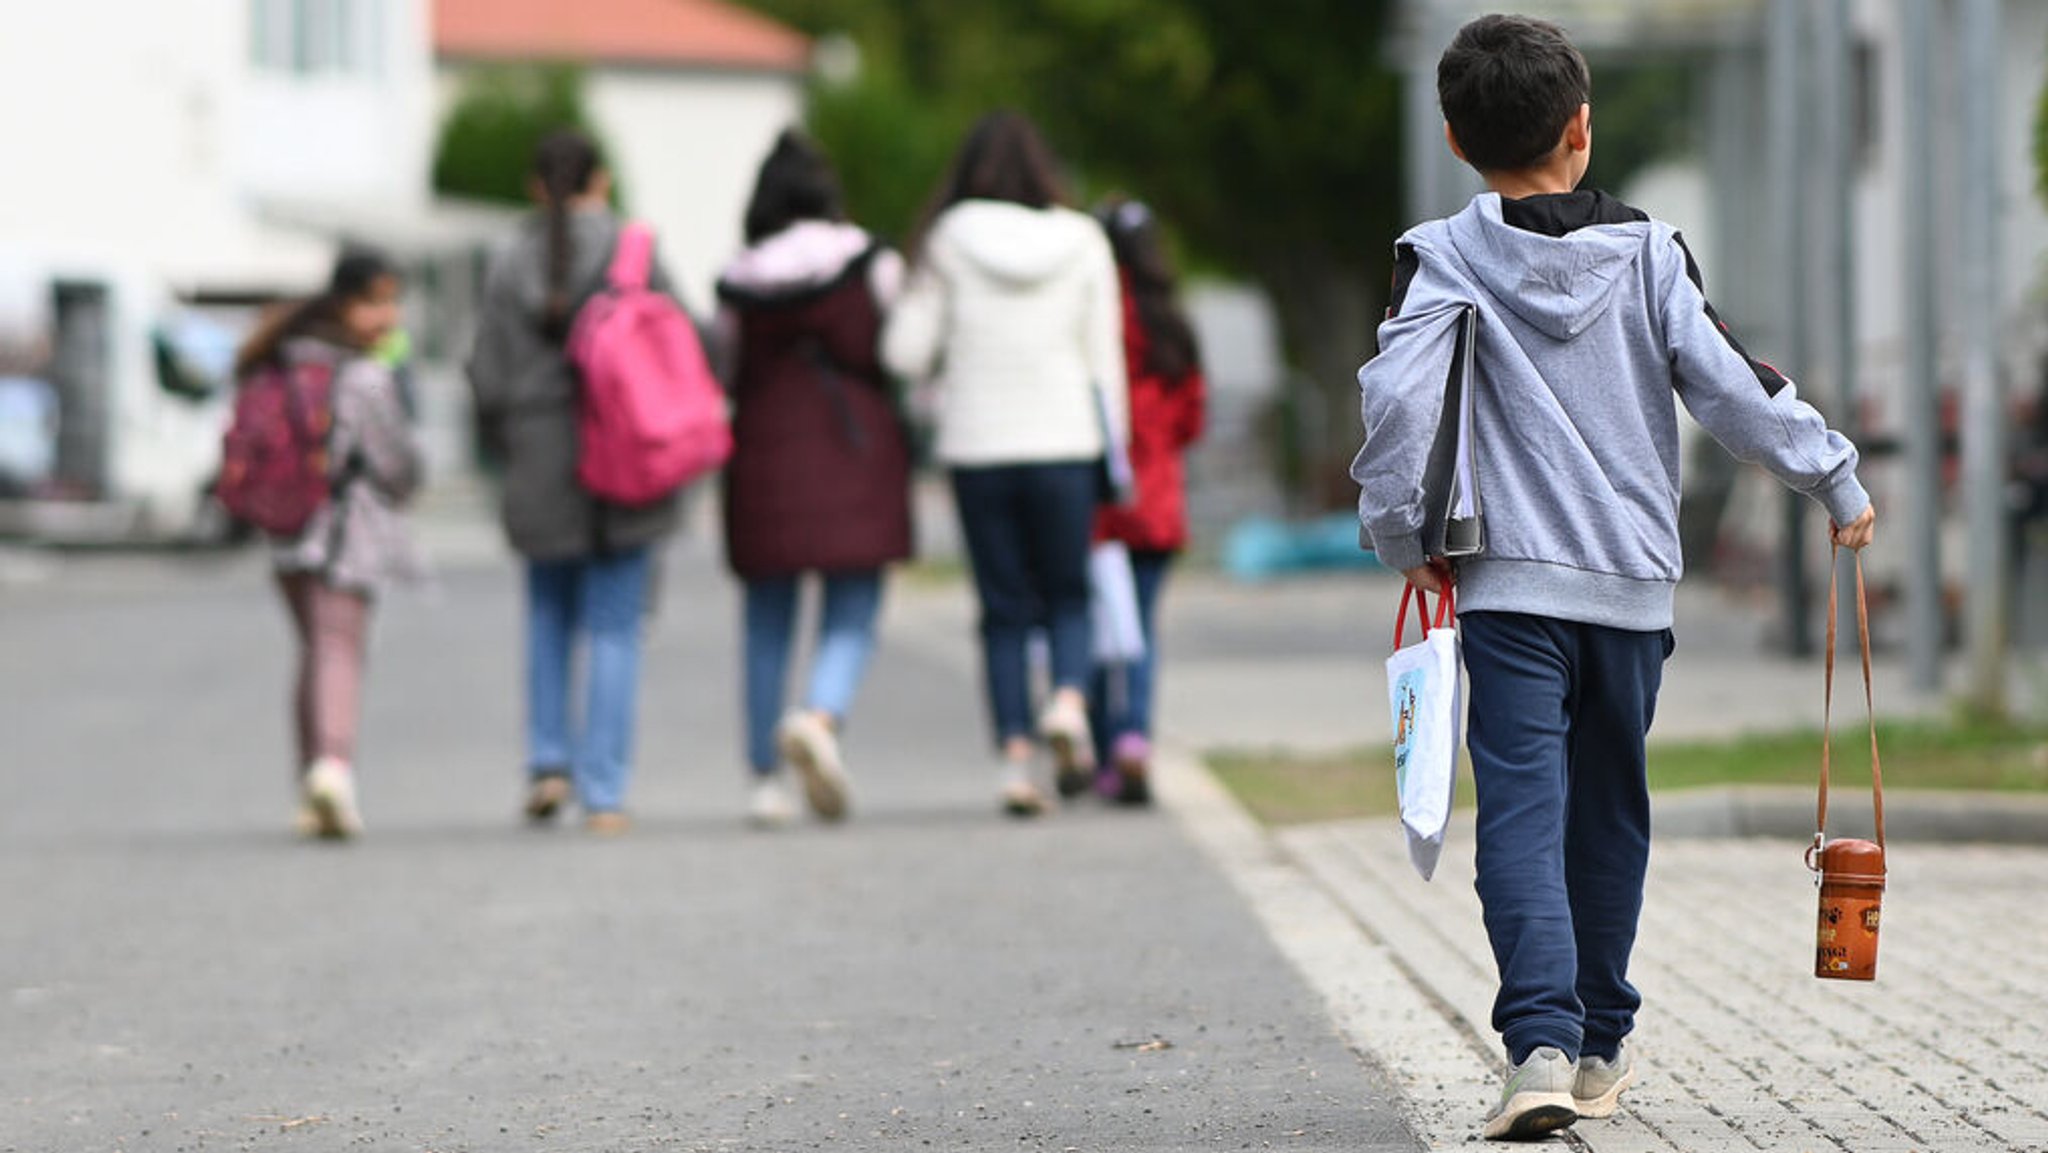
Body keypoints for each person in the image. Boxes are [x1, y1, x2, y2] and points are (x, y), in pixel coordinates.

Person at [1351, 15, 1876, 1141]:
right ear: (1581, 128)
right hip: (1628, 595)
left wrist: (1404, 536)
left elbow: (1393, 407)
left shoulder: (1435, 254)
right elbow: (1734, 390)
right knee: (1609, 817)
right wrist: (1833, 476)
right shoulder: (1648, 253)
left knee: (1522, 815)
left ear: (1452, 138)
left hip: (1503, 594)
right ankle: (1595, 1044)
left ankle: (1535, 1043)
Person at [882, 111, 1128, 817]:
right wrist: (1117, 449)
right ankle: (1071, 705)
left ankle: (1015, 762)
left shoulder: (948, 239)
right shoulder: (1083, 239)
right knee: (1068, 594)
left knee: (1002, 609)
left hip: (979, 443)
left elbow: (904, 353)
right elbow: (1104, 359)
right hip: (1065, 440)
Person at [467, 130, 683, 835]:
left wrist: (505, 443)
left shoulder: (506, 260)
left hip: (538, 453)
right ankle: (606, 789)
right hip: (629, 453)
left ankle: (547, 763)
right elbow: (690, 343)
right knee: (616, 628)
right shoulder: (636, 251)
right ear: (604, 180)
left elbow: (485, 372)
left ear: (535, 187)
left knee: (547, 615)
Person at [714, 130, 913, 828]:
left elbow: (725, 366)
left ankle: (764, 779)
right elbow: (901, 349)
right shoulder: (869, 261)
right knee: (853, 608)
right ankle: (821, 715)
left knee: (767, 623)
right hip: (855, 450)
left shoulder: (740, 275)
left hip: (765, 455)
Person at [238, 247, 423, 839]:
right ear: (346, 303)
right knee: (340, 647)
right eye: (377, 301)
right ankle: (332, 769)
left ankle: (308, 782)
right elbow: (396, 464)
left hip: (284, 529)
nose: (388, 315)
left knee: (314, 649)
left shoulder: (275, 360)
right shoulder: (362, 374)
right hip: (347, 531)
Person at [1086, 198, 1207, 805]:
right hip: (1158, 504)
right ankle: (1134, 739)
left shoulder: (1092, 317)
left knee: (1096, 628)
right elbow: (1192, 418)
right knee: (1141, 632)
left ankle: (1101, 748)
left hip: (1100, 505)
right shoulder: (1172, 323)